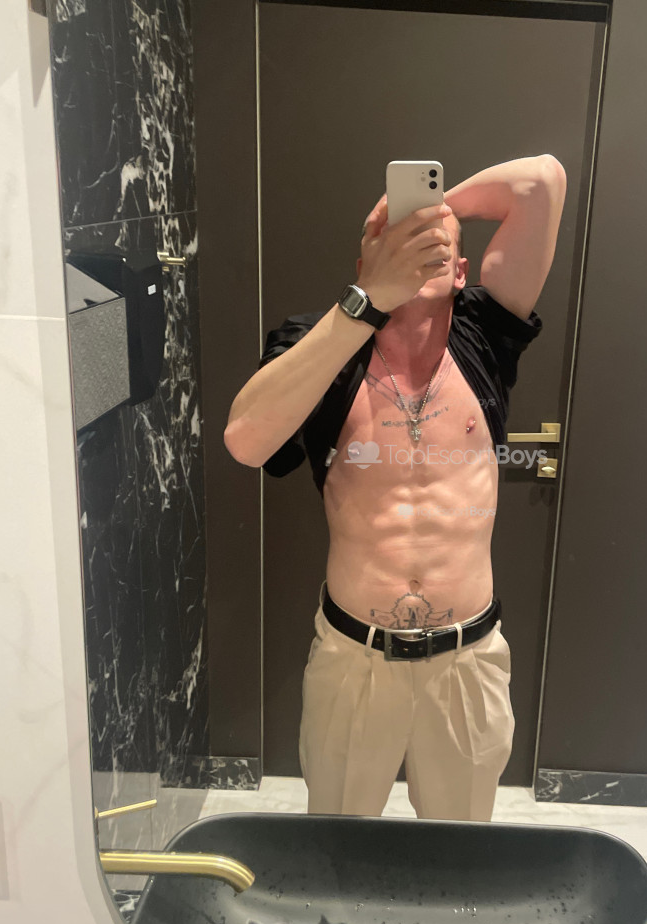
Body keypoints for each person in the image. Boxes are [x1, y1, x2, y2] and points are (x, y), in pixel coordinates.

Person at [225, 155, 566, 821]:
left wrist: (435, 207)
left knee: (458, 855)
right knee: (340, 851)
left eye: (433, 242)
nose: (415, 245)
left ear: (461, 270)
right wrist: (368, 299)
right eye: (393, 239)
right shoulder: (320, 344)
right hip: (354, 662)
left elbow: (543, 180)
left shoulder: (485, 333)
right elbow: (245, 440)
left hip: (467, 663)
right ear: (364, 264)